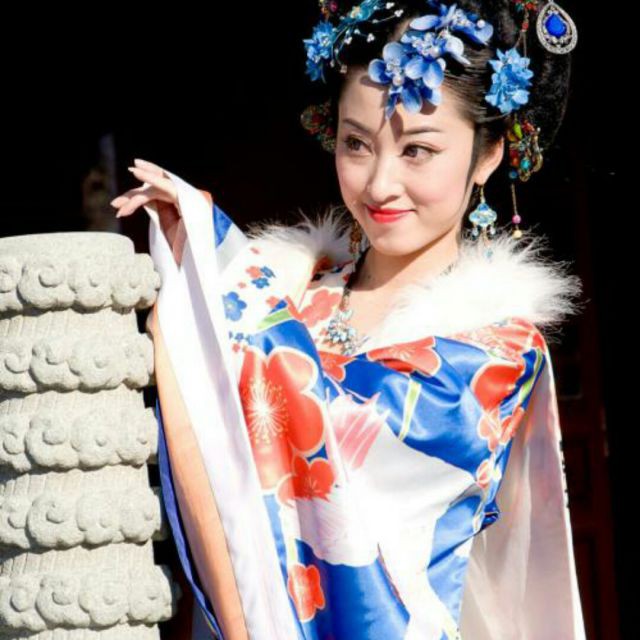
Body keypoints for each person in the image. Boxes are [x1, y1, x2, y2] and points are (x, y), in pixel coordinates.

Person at [111, 1, 587, 638]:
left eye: (418, 151)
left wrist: (215, 269)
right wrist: (194, 272)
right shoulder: (290, 295)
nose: (380, 184)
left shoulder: (497, 347)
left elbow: (339, 457)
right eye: (356, 144)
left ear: (487, 156)